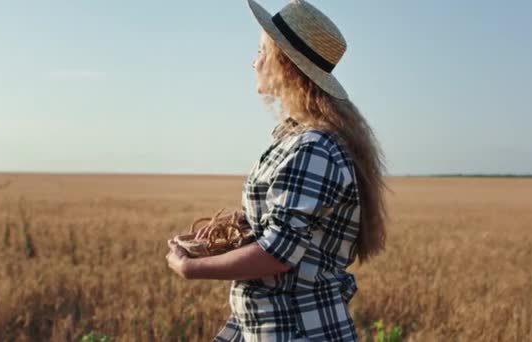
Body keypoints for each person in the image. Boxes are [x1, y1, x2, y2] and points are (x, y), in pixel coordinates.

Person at [166, 0, 388, 340]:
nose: (254, 61)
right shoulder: (301, 138)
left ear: (284, 64)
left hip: (296, 327)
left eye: (260, 51)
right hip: (276, 323)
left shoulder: (312, 147)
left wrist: (192, 267)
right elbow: (293, 231)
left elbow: (279, 253)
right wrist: (241, 224)